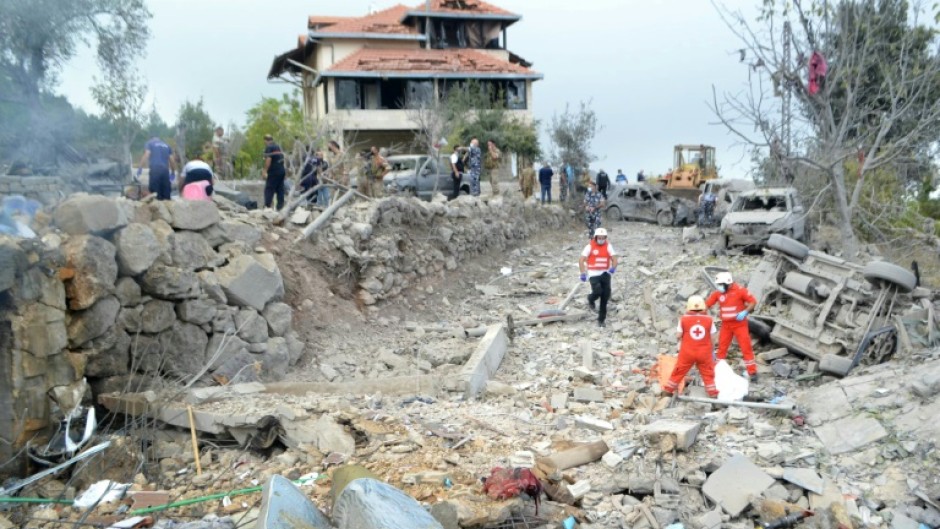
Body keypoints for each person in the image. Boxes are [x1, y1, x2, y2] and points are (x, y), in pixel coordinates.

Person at [662, 295, 719, 398]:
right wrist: (711, 350)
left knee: (679, 372)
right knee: (708, 374)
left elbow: (678, 335)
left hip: (687, 352)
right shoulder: (709, 320)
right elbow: (713, 338)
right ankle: (713, 396)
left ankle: (667, 392)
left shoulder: (683, 319)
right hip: (704, 352)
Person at [706, 271, 759, 380]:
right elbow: (707, 304)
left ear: (728, 283)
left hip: (740, 325)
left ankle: (752, 372)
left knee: (746, 347)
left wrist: (745, 312)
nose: (719, 287)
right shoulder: (718, 293)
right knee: (722, 347)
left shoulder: (740, 291)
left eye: (721, 285)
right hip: (726, 325)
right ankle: (718, 369)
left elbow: (753, 302)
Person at [579, 227, 618, 328]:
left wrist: (613, 268)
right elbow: (581, 259)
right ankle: (590, 298)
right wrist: (583, 273)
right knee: (597, 291)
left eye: (603, 238)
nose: (601, 239)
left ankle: (601, 319)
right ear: (595, 238)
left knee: (605, 296)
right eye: (599, 238)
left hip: (605, 272)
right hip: (594, 273)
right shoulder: (589, 246)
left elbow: (614, 258)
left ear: (605, 238)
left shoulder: (608, 246)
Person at [137, 136, 177, 201]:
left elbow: (147, 154)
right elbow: (172, 160)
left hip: (155, 170)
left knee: (154, 194)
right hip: (165, 171)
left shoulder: (150, 143)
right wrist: (173, 172)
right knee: (166, 194)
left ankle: (156, 208)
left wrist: (140, 167)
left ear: (152, 138)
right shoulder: (166, 145)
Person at [262, 134, 287, 209]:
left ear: (266, 141)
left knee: (269, 189)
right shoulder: (278, 147)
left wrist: (264, 171)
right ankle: (280, 207)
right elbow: (283, 159)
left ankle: (267, 206)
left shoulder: (269, 147)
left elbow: (268, 160)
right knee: (280, 189)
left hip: (274, 172)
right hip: (281, 171)